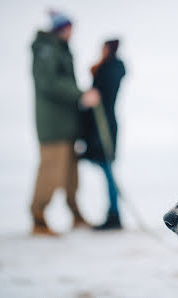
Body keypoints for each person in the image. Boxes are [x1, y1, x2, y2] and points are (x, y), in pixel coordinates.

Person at [30, 10, 100, 236]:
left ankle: (76, 216)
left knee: (71, 175)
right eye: (69, 28)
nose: (72, 33)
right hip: (53, 127)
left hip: (67, 126)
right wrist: (81, 94)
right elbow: (48, 83)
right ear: (61, 28)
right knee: (50, 173)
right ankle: (38, 218)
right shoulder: (46, 50)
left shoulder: (59, 49)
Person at [79, 39, 126, 230]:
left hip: (103, 127)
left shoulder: (108, 70)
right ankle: (113, 213)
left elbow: (98, 96)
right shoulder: (110, 69)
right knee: (107, 171)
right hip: (104, 125)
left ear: (108, 49)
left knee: (108, 171)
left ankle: (114, 214)